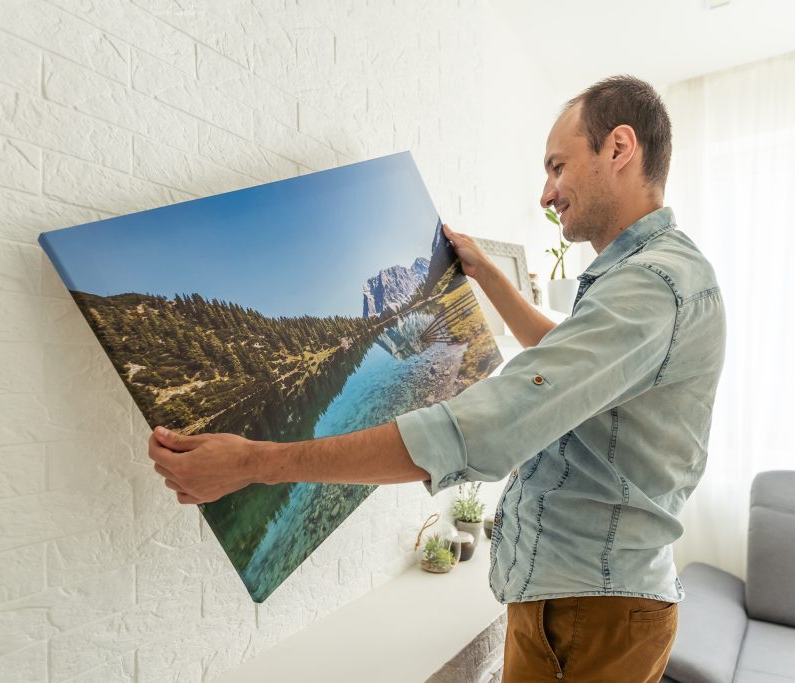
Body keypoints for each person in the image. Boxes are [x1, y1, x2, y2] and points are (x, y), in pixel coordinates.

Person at [147, 75, 726, 682]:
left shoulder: (649, 285)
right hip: (586, 601)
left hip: (587, 614)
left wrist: (249, 464)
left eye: (558, 166)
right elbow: (572, 365)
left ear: (619, 148)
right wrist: (491, 278)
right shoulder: (655, 274)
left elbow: (487, 429)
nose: (547, 193)